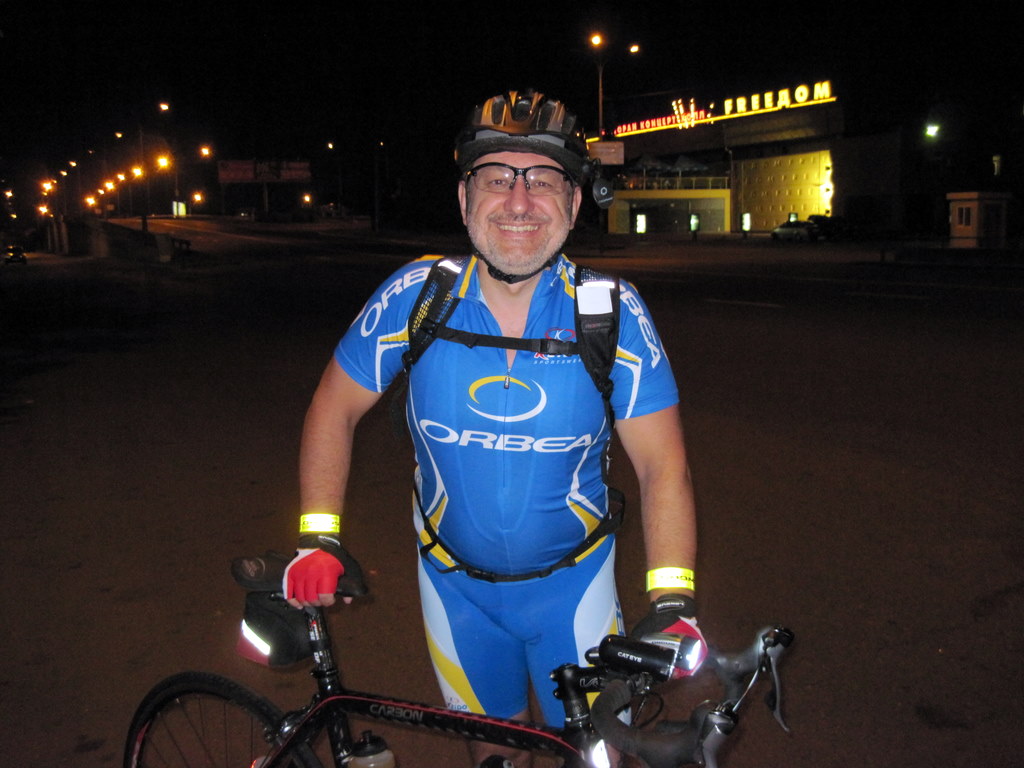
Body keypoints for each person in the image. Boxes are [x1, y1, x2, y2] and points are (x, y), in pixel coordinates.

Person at [284, 89, 706, 768]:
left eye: (543, 180)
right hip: (456, 595)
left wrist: (671, 597)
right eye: (496, 177)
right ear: (464, 198)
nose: (518, 201)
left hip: (575, 592)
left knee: (597, 757)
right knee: (495, 756)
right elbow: (333, 407)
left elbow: (663, 466)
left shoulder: (612, 313)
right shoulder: (418, 295)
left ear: (574, 203)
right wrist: (318, 536)